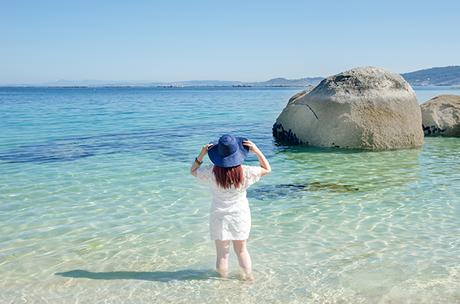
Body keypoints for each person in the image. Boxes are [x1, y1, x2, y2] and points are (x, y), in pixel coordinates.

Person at [190, 134, 271, 281]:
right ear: (237, 154)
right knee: (241, 251)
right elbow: (267, 168)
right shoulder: (246, 172)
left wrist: (201, 154)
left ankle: (223, 282)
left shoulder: (211, 172)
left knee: (222, 254)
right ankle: (248, 278)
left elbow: (193, 171)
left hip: (218, 215)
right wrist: (256, 150)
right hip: (240, 215)